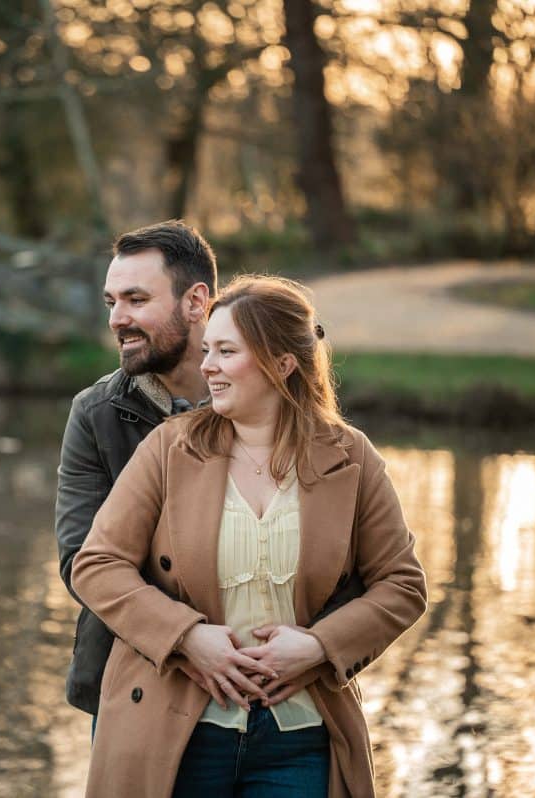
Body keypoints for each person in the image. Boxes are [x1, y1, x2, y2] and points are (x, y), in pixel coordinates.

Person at [71, 275, 427, 797]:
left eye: (226, 351)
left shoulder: (351, 458)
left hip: (300, 739)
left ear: (281, 364)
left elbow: (402, 584)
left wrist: (318, 647)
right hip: (176, 727)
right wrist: (188, 638)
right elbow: (97, 564)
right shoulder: (168, 449)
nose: (207, 365)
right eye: (207, 349)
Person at [55, 220, 218, 720]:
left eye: (135, 300)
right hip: (130, 680)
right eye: (111, 303)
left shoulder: (266, 400)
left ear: (195, 302)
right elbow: (80, 561)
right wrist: (187, 636)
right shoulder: (95, 413)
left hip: (258, 679)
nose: (117, 319)